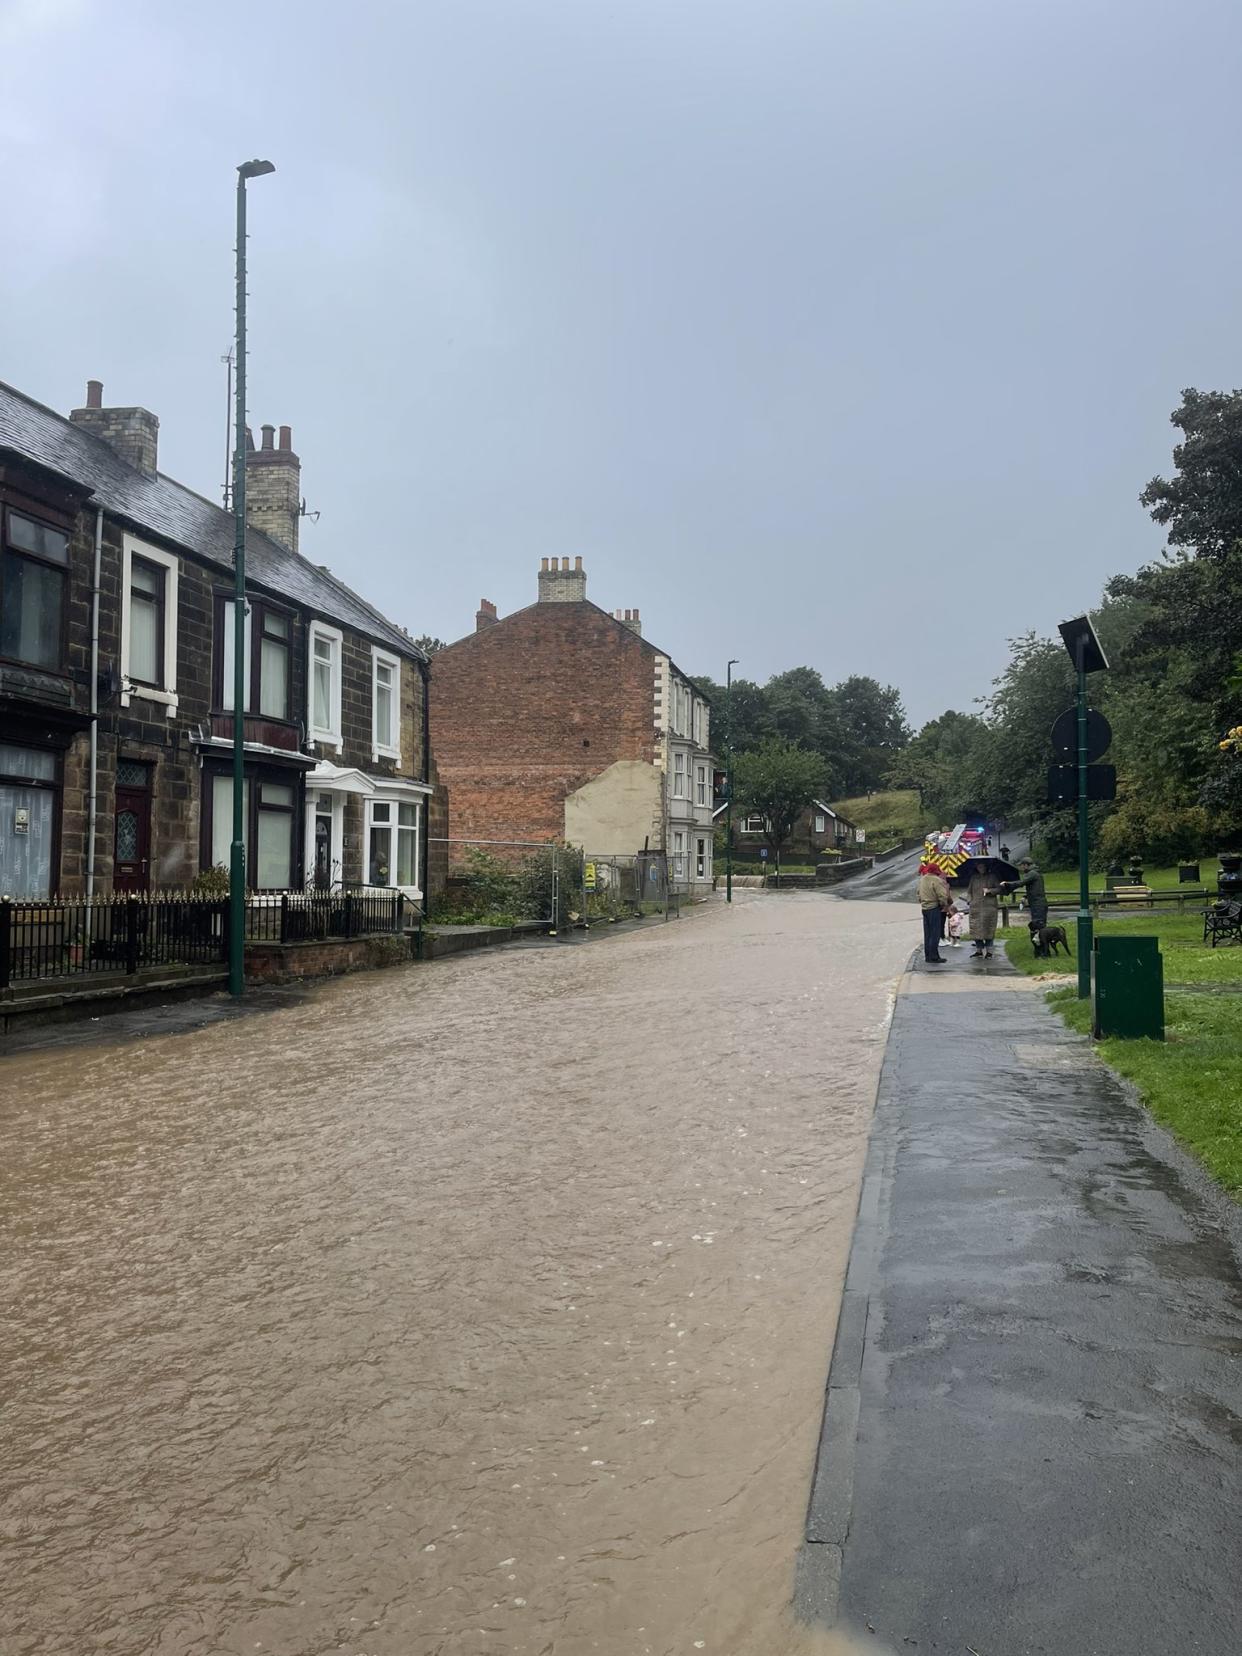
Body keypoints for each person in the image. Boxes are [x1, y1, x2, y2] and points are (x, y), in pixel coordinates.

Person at [995, 855, 1048, 952]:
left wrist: (1006, 884)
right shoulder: (1036, 873)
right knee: (1040, 926)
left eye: (1022, 866)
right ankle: (1042, 949)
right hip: (1039, 903)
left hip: (1038, 904)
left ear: (1026, 865)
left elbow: (1021, 883)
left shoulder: (1032, 873)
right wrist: (1026, 896)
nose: (1021, 868)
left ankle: (1042, 951)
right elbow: (1036, 889)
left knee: (1038, 927)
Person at [917, 861, 952, 964]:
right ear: (936, 871)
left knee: (927, 934)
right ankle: (934, 957)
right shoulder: (937, 880)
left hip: (925, 909)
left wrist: (923, 902)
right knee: (935, 933)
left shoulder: (922, 879)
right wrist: (944, 905)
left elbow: (918, 894)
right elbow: (942, 895)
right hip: (934, 908)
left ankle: (928, 956)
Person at [967, 859, 1000, 959]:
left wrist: (990, 890)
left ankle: (989, 951)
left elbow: (999, 889)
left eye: (983, 867)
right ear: (977, 868)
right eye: (979, 867)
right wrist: (969, 900)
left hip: (989, 907)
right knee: (976, 929)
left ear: (986, 867)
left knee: (988, 929)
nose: (981, 868)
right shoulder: (974, 878)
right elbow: (969, 891)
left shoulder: (992, 877)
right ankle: (979, 950)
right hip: (976, 907)